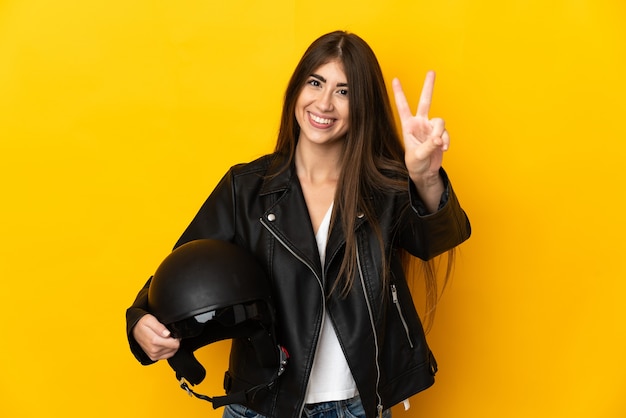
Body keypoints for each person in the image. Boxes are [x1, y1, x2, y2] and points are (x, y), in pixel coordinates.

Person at [126, 30, 471, 418]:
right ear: (297, 89)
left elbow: (436, 239)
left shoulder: (384, 188)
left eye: (344, 91)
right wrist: (141, 320)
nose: (324, 103)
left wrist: (424, 177)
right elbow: (185, 267)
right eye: (316, 82)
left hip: (354, 407)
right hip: (260, 404)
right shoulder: (246, 187)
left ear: (363, 105)